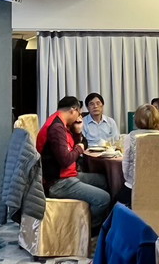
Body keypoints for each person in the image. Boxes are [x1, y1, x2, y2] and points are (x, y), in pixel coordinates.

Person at [40, 96, 110, 230]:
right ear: (73, 110)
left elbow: (81, 144)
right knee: (103, 199)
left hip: (68, 174)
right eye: (79, 112)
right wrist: (80, 148)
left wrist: (78, 133)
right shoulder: (57, 128)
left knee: (106, 181)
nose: (79, 117)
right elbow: (66, 160)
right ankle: (87, 231)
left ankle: (104, 224)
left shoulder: (61, 123)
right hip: (58, 182)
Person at [116, 104, 159, 206]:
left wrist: (129, 180)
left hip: (133, 187)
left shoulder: (131, 136)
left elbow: (126, 163)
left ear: (137, 119)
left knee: (114, 205)